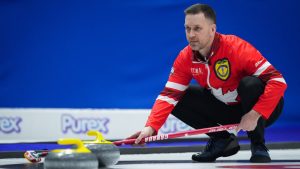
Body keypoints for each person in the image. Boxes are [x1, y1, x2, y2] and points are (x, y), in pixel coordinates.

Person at [128, 3, 287, 163]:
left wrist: (254, 114)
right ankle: (222, 140)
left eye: (197, 28)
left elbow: (278, 81)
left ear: (212, 29)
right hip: (229, 110)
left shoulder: (236, 48)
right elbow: (168, 96)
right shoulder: (185, 57)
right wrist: (150, 128)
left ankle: (258, 145)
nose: (191, 34)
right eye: (187, 28)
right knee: (179, 97)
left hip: (263, 110)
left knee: (250, 84)